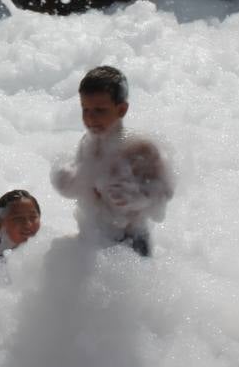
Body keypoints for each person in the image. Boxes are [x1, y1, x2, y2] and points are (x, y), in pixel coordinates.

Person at [51, 66, 173, 257]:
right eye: (86, 109)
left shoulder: (140, 148)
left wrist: (135, 198)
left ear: (122, 109)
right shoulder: (88, 143)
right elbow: (86, 182)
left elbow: (164, 191)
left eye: (100, 110)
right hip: (95, 232)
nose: (91, 118)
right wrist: (68, 180)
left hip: (131, 240)